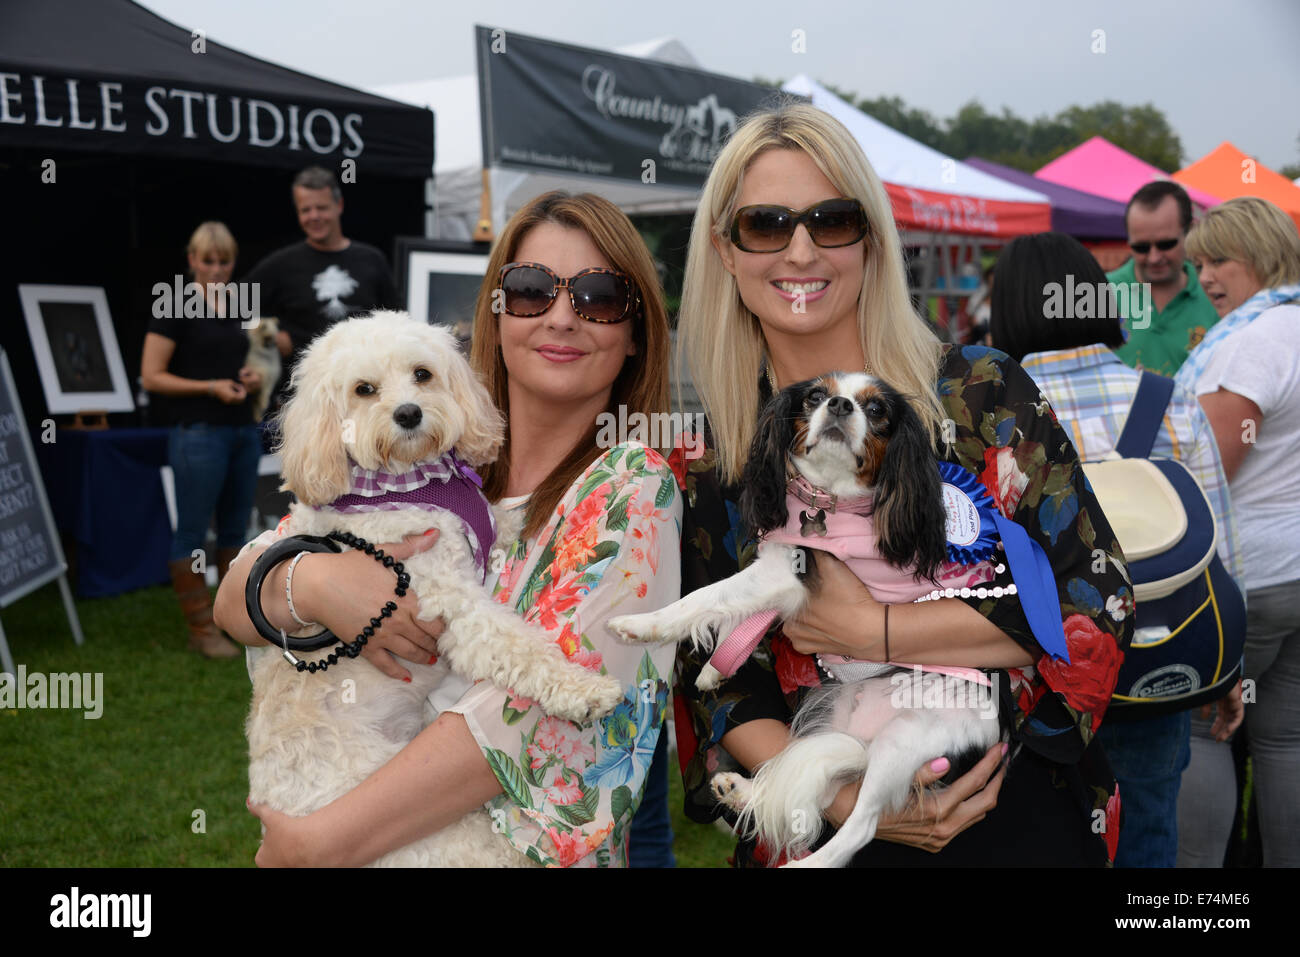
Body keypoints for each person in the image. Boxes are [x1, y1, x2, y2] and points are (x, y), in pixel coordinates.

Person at [672, 101, 1131, 866]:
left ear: (871, 237)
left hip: (1011, 809)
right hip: (828, 828)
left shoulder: (982, 394)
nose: (800, 249)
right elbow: (717, 681)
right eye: (766, 224)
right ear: (725, 247)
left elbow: (1095, 601)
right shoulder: (723, 457)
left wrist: (869, 631)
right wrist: (856, 805)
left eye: (832, 218)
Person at [214, 191, 682, 867]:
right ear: (496, 311)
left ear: (634, 331)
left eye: (599, 295)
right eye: (529, 290)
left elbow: (520, 721)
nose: (561, 316)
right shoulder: (420, 470)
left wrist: (320, 844)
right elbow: (234, 600)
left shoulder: (629, 485)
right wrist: (313, 581)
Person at [989, 231, 1244, 867]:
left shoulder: (990, 412)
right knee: (1149, 826)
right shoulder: (1169, 397)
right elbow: (1219, 547)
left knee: (1039, 835)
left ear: (1010, 308)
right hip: (1157, 651)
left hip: (1035, 670)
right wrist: (1227, 664)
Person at [1173, 196, 1300, 868]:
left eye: (1220, 259)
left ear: (1262, 252)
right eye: (1199, 264)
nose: (1206, 278)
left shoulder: (1249, 344)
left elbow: (1203, 480)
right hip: (1295, 571)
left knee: (1204, 733)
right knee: (1286, 742)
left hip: (1245, 576)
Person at [141, 221, 264, 659]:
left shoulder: (236, 303)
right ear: (191, 259)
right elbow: (151, 375)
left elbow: (248, 358)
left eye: (224, 261)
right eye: (207, 260)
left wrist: (250, 377)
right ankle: (200, 627)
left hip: (240, 430)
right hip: (198, 432)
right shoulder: (175, 304)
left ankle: (232, 620)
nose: (215, 269)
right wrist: (209, 387)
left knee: (235, 529)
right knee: (193, 532)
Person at [245, 166, 400, 409]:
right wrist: (270, 335)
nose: (314, 216)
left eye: (321, 207)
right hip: (305, 400)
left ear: (339, 206)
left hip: (366, 400)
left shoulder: (372, 259)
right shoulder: (282, 264)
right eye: (305, 210)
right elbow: (232, 304)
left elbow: (397, 320)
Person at [1107, 181, 1220, 376]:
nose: (1154, 257)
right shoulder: (1100, 292)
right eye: (1141, 247)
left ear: (1190, 232)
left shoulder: (1217, 295)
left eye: (1166, 244)